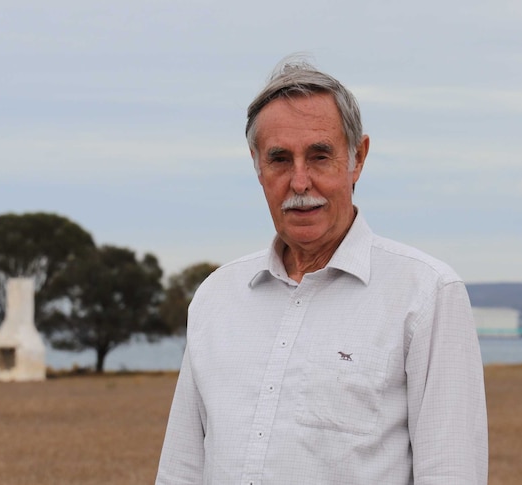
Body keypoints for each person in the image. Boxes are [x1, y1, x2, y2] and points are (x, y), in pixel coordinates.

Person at [156, 57, 488, 484]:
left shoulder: (426, 295)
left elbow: (451, 472)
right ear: (257, 166)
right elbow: (180, 470)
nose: (299, 182)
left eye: (319, 156)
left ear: (358, 160)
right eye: (279, 159)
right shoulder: (216, 297)